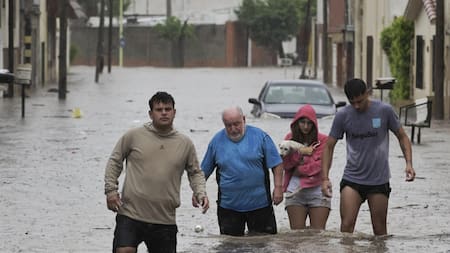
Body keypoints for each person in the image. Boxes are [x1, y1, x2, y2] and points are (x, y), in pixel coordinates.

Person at [104, 91, 209, 253]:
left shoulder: (185, 143)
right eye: (159, 109)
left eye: (168, 109)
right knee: (124, 251)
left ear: (174, 112)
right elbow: (114, 162)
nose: (164, 113)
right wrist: (111, 191)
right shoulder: (133, 136)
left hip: (164, 219)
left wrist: (200, 192)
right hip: (131, 213)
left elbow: (195, 172)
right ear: (150, 114)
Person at [321, 78, 416, 236]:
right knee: (346, 227)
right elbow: (329, 146)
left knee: (379, 232)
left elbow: (402, 136)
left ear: (367, 93)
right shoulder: (342, 116)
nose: (357, 106)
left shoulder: (384, 110)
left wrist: (409, 163)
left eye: (360, 101)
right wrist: (325, 177)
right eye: (353, 103)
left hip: (379, 180)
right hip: (352, 178)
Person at [196, 106, 283, 236]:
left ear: (244, 119)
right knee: (230, 246)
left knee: (264, 244)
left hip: (260, 205)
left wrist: (278, 188)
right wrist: (199, 192)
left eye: (236, 124)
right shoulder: (216, 142)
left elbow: (277, 164)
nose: (233, 129)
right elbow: (203, 172)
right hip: (228, 207)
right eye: (228, 125)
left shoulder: (261, 137)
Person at [281, 104, 330, 230]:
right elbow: (286, 165)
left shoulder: (323, 140)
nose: (306, 126)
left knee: (318, 237)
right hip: (295, 191)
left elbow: (319, 166)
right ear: (297, 122)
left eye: (309, 123)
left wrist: (299, 169)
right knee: (297, 237)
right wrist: (300, 153)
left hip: (318, 190)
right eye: (302, 122)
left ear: (314, 124)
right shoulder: (289, 139)